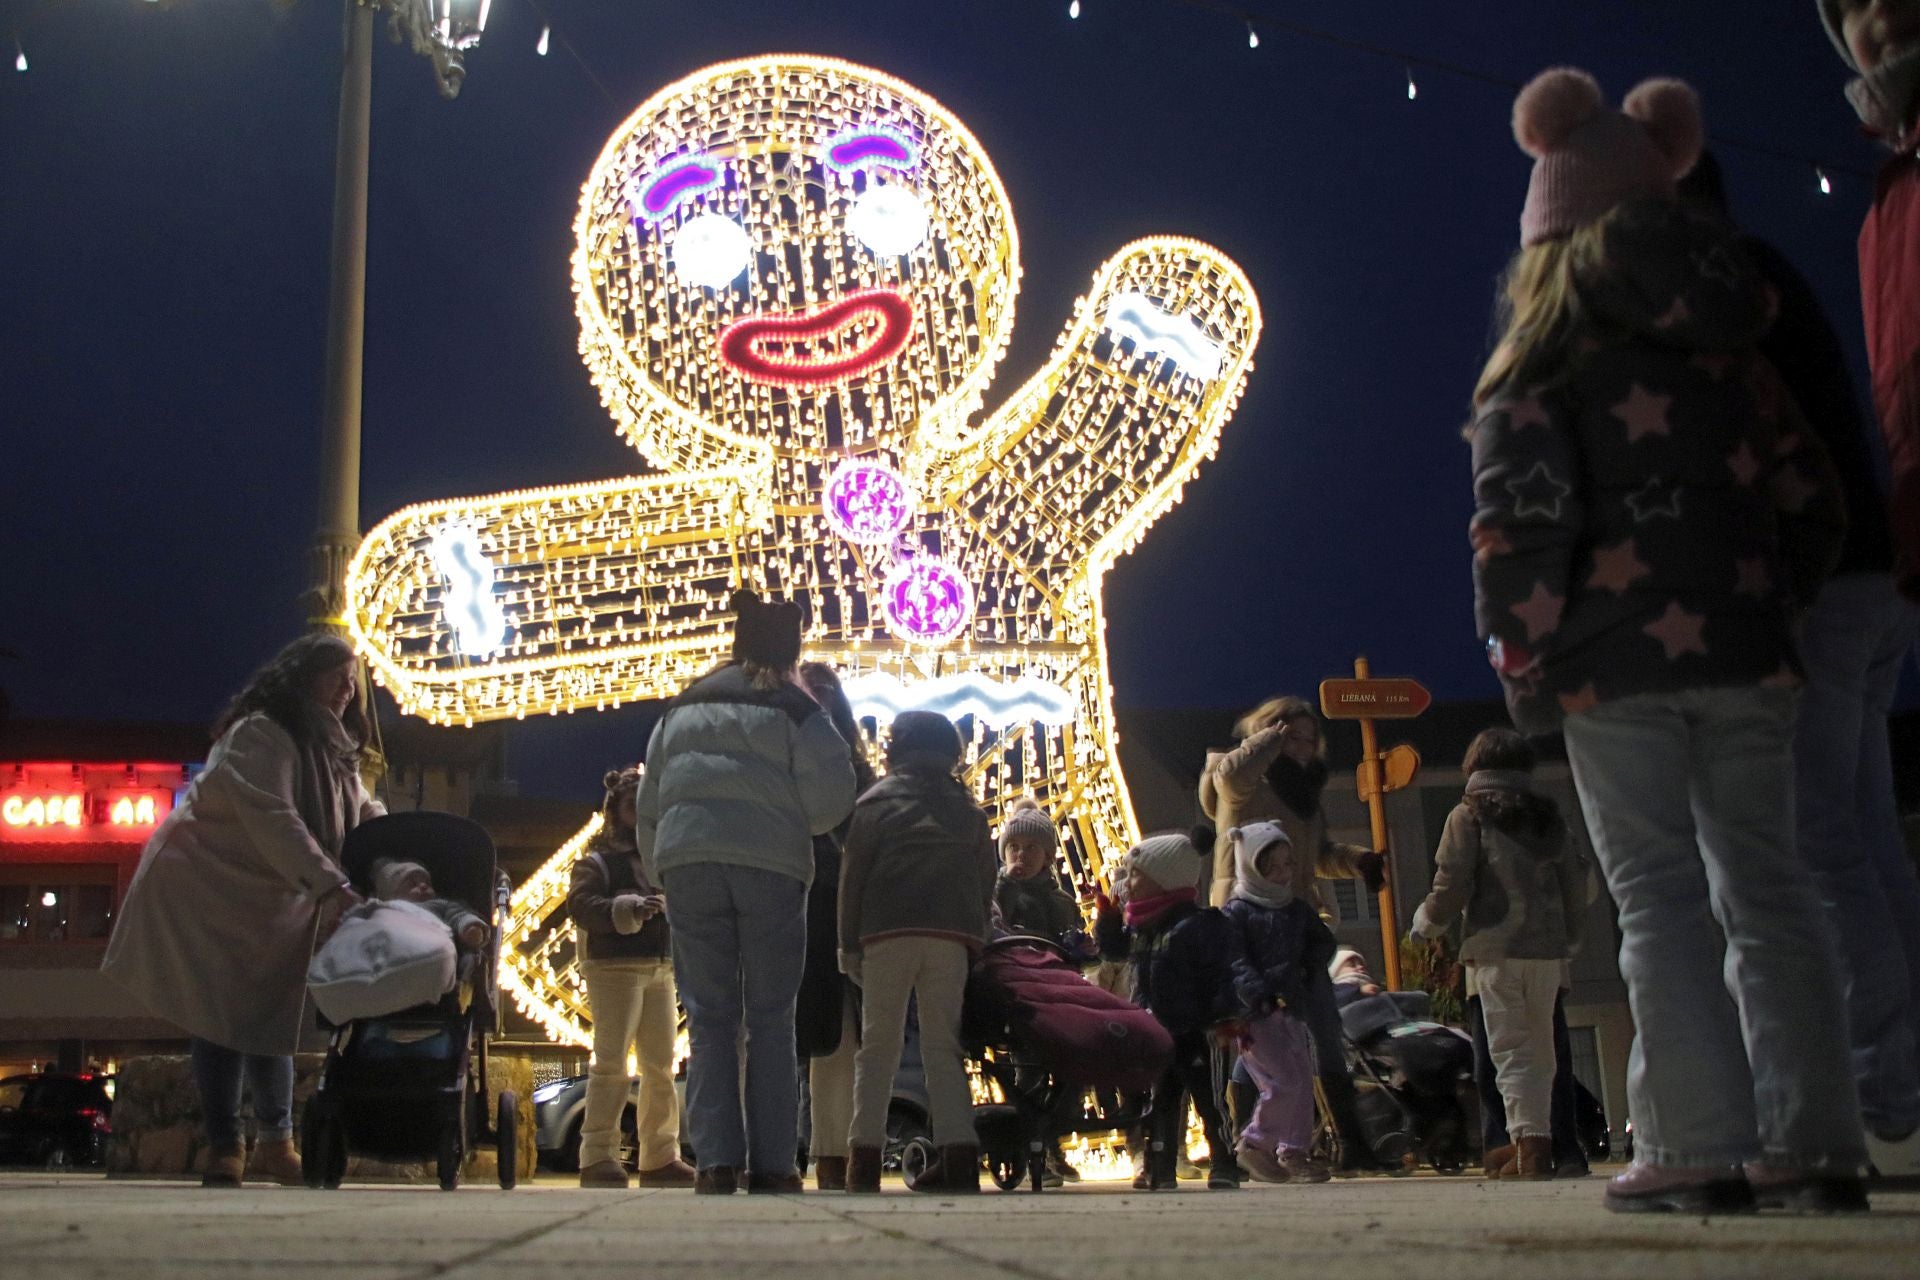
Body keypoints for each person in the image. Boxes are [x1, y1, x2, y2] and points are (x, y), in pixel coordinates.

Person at [1469, 67, 1862, 1213]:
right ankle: (1813, 1138)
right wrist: (1772, 604)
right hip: (1749, 655)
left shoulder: (1545, 360)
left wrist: (1521, 654)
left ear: (1549, 233)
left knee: (1657, 896)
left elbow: (1520, 524)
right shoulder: (1739, 351)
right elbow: (1815, 497)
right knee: (1770, 886)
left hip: (1612, 666)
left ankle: (1694, 1138)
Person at [102, 633, 382, 1188]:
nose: (347, 690)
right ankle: (225, 1146)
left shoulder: (333, 750)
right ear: (303, 676)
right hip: (207, 883)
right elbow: (273, 817)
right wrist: (330, 885)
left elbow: (363, 814)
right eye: (337, 676)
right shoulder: (260, 734)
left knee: (267, 1014)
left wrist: (401, 850)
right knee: (222, 1014)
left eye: (352, 681)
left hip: (269, 895)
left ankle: (275, 1145)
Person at [637, 591, 857, 1195]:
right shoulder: (794, 705)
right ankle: (773, 1164)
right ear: (790, 653)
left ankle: (715, 1163)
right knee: (771, 1017)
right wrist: (796, 819)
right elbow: (833, 795)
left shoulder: (683, 705)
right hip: (771, 866)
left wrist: (663, 866)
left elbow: (650, 799)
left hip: (689, 862)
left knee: (708, 1019)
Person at [1816, 0, 1920, 1181]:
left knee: (1824, 839)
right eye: (1848, 8)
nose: (1873, 19)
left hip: (1846, 562)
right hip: (1891, 535)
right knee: (1862, 827)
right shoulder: (1890, 191)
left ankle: (1885, 1100)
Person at [1199, 698, 1395, 1174]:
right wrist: (1269, 740)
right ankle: (1248, 1139)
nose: (1303, 748)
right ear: (1269, 735)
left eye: (1310, 739)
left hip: (1296, 923)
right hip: (1246, 921)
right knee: (1261, 1033)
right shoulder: (1243, 783)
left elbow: (1316, 854)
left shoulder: (1305, 794)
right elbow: (1229, 776)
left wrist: (1358, 861)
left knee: (1318, 1028)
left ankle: (1346, 1140)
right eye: (1293, 738)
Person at [1410, 729, 1590, 1180]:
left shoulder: (1468, 814)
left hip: (1496, 947)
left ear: (1473, 766)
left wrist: (1427, 923)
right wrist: (1570, 938)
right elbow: (1575, 880)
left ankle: (1529, 1148)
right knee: (1544, 1050)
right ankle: (1538, 1142)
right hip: (1547, 951)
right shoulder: (1549, 817)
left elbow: (1451, 882)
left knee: (1510, 1049)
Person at [839, 711, 997, 1194]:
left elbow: (853, 879)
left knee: (877, 1047)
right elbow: (984, 879)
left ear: (895, 749)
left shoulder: (874, 803)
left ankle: (863, 1161)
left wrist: (848, 944)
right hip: (950, 935)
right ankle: (959, 1155)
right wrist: (976, 935)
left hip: (886, 932)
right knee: (943, 1047)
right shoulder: (967, 810)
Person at [1095, 831, 1243, 1191]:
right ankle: (1160, 1165)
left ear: (1165, 880)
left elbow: (1221, 974)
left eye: (1135, 875)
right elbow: (1113, 951)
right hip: (1157, 1030)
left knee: (1209, 1100)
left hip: (1197, 1030)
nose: (1127, 883)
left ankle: (1224, 1159)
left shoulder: (1198, 925)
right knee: (1161, 1101)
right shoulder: (1141, 927)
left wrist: (1225, 1017)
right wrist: (1109, 919)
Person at [568, 765, 693, 1189]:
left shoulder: (660, 863)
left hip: (659, 966)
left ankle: (660, 1156)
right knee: (611, 1063)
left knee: (660, 1065)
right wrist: (628, 909)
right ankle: (598, 1155)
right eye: (632, 806)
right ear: (615, 811)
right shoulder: (598, 863)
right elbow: (581, 906)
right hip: (614, 968)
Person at [794, 662, 876, 1191]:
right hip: (802, 899)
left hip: (829, 907)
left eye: (826, 692)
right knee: (780, 1031)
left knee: (837, 1039)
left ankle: (829, 1154)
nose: (820, 700)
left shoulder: (854, 772)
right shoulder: (849, 769)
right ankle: (776, 1152)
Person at [1221, 822, 1337, 1185]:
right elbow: (1234, 960)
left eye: (1288, 864)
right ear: (1252, 868)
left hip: (1292, 1007)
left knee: (1300, 1078)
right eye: (1273, 867)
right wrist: (1257, 993)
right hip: (1255, 1015)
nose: (1283, 874)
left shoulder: (1295, 909)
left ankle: (1294, 1150)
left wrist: (1306, 968)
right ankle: (1255, 1142)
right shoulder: (1237, 912)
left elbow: (1323, 942)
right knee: (1282, 1080)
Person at [993, 795, 1091, 1184]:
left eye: (1031, 848)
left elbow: (1070, 941)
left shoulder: (1059, 900)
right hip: (1019, 991)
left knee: (1075, 1067)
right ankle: (1031, 1146)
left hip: (1058, 990)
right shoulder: (997, 892)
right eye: (1014, 847)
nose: (1021, 855)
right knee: (1029, 1069)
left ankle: (1050, 1140)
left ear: (1048, 855)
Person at [369, 858, 488, 952]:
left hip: (430, 947)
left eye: (427, 883)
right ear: (391, 895)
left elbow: (458, 915)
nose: (423, 885)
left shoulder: (439, 904)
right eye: (412, 884)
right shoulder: (382, 908)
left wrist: (468, 927)